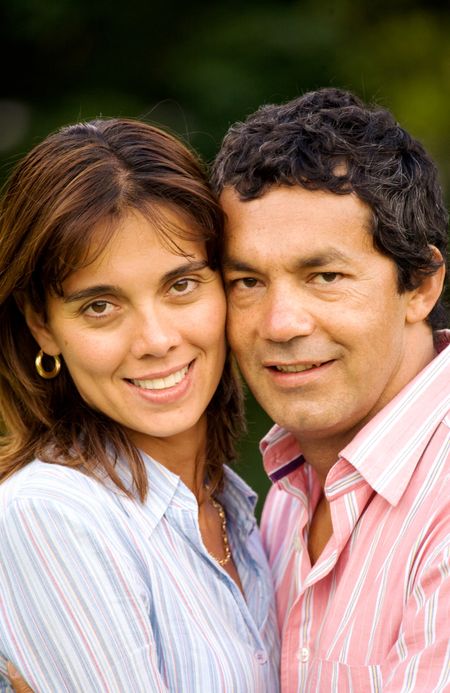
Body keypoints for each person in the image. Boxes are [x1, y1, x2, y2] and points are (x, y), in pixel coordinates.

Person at [0, 118, 280, 691]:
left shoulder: (242, 505)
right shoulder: (51, 515)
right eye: (100, 306)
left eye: (181, 285)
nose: (155, 340)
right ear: (42, 326)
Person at [211, 87, 450, 691]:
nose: (280, 324)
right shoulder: (286, 494)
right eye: (247, 281)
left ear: (419, 285)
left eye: (324, 276)